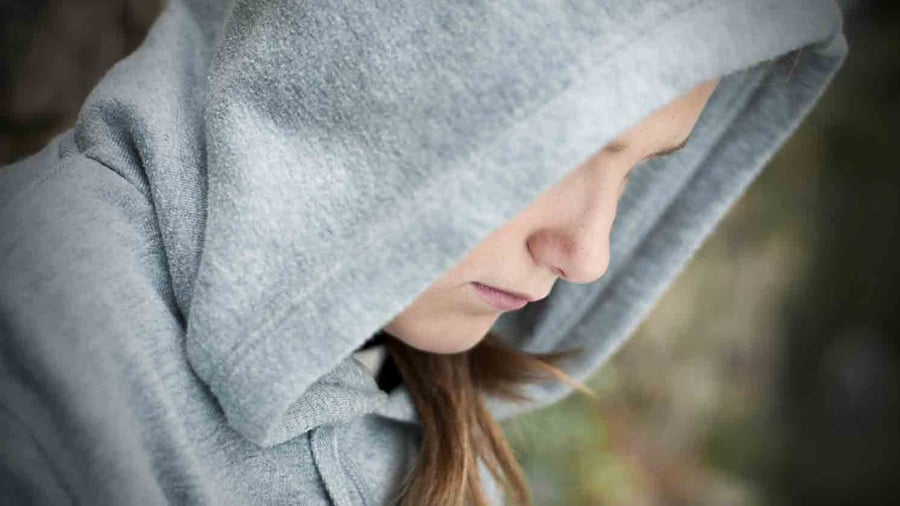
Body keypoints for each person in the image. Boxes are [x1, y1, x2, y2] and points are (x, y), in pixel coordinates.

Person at [0, 1, 847, 505]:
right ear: (380, 63)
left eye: (637, 171)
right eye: (554, 151)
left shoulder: (420, 386)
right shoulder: (40, 352)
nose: (588, 255)